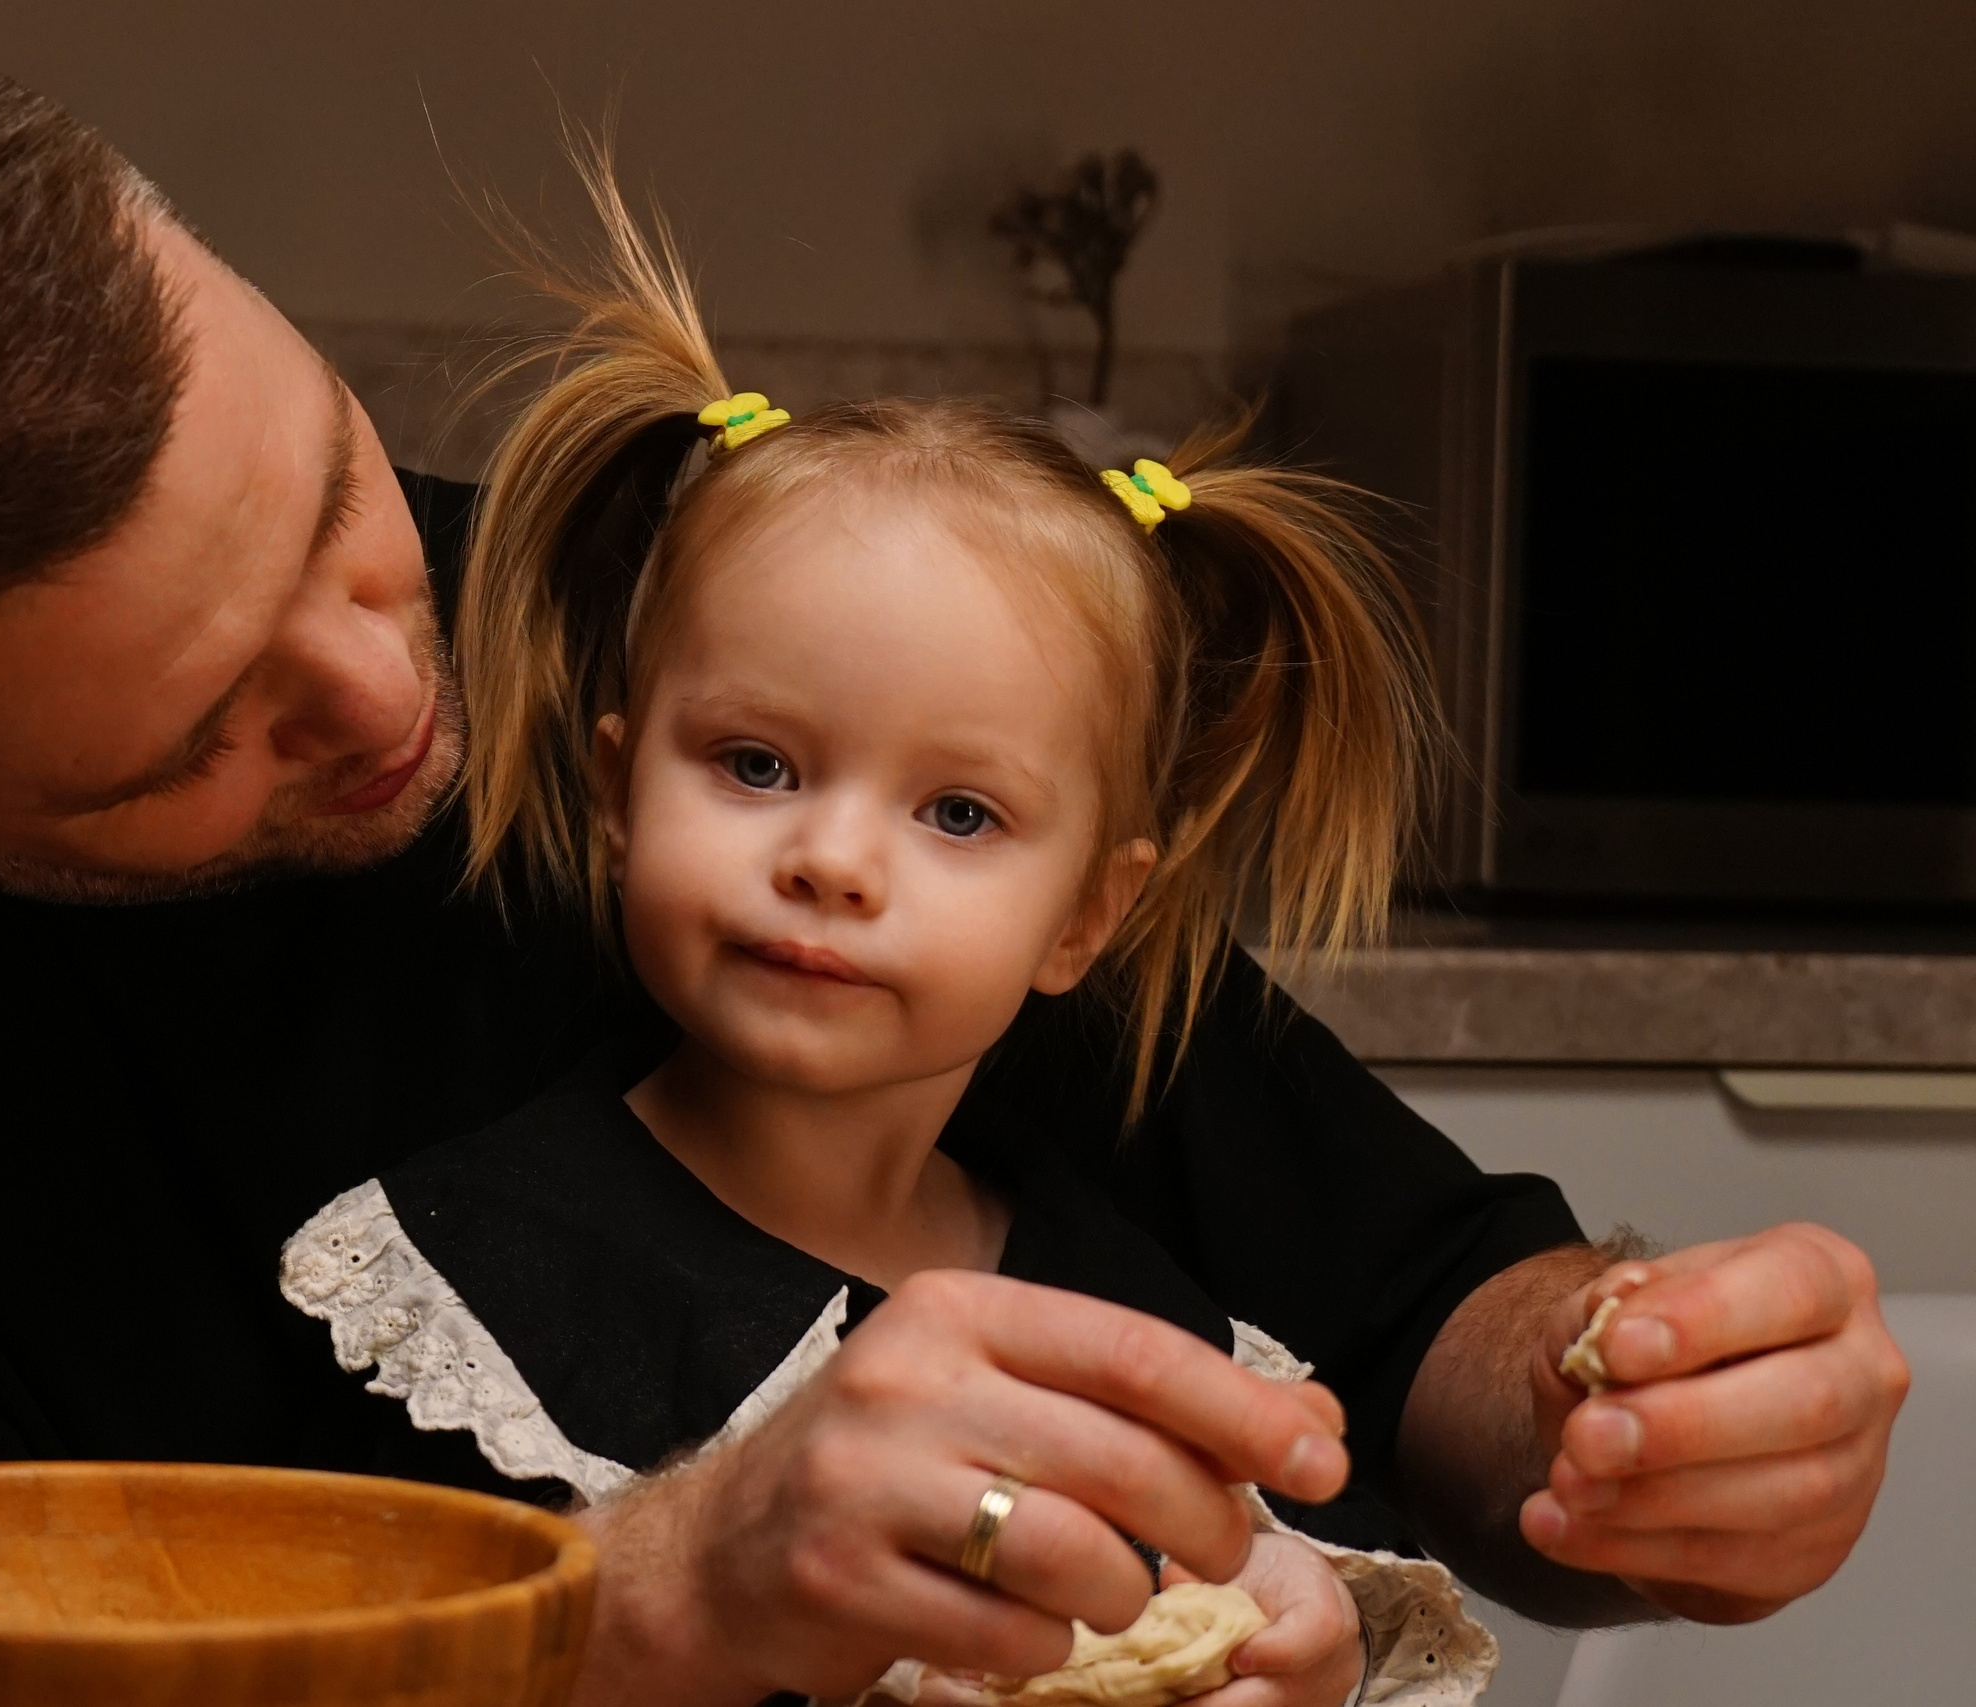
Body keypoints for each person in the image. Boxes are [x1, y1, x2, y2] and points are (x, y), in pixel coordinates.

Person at [0, 15, 1908, 1707]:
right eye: (194, 736)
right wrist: (646, 1598)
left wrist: (1625, 1409)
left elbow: (1413, 1306)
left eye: (330, 492)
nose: (395, 691)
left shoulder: (667, 629)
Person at [283, 178, 1488, 1705]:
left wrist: (1309, 1651)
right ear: (615, 794)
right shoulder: (456, 1269)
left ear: (1088, 917)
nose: (835, 862)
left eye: (959, 814)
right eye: (757, 765)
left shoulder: (1127, 1304)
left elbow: (1297, 1603)